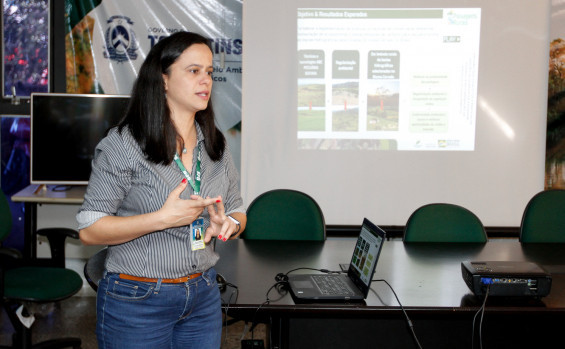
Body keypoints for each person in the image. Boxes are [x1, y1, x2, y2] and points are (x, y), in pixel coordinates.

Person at [76, 31, 246, 349]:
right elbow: (90, 229)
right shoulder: (124, 144)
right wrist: (163, 218)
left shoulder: (216, 146)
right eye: (193, 71)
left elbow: (238, 207)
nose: (206, 80)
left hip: (203, 295)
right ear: (163, 79)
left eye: (209, 72)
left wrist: (229, 225)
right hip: (137, 299)